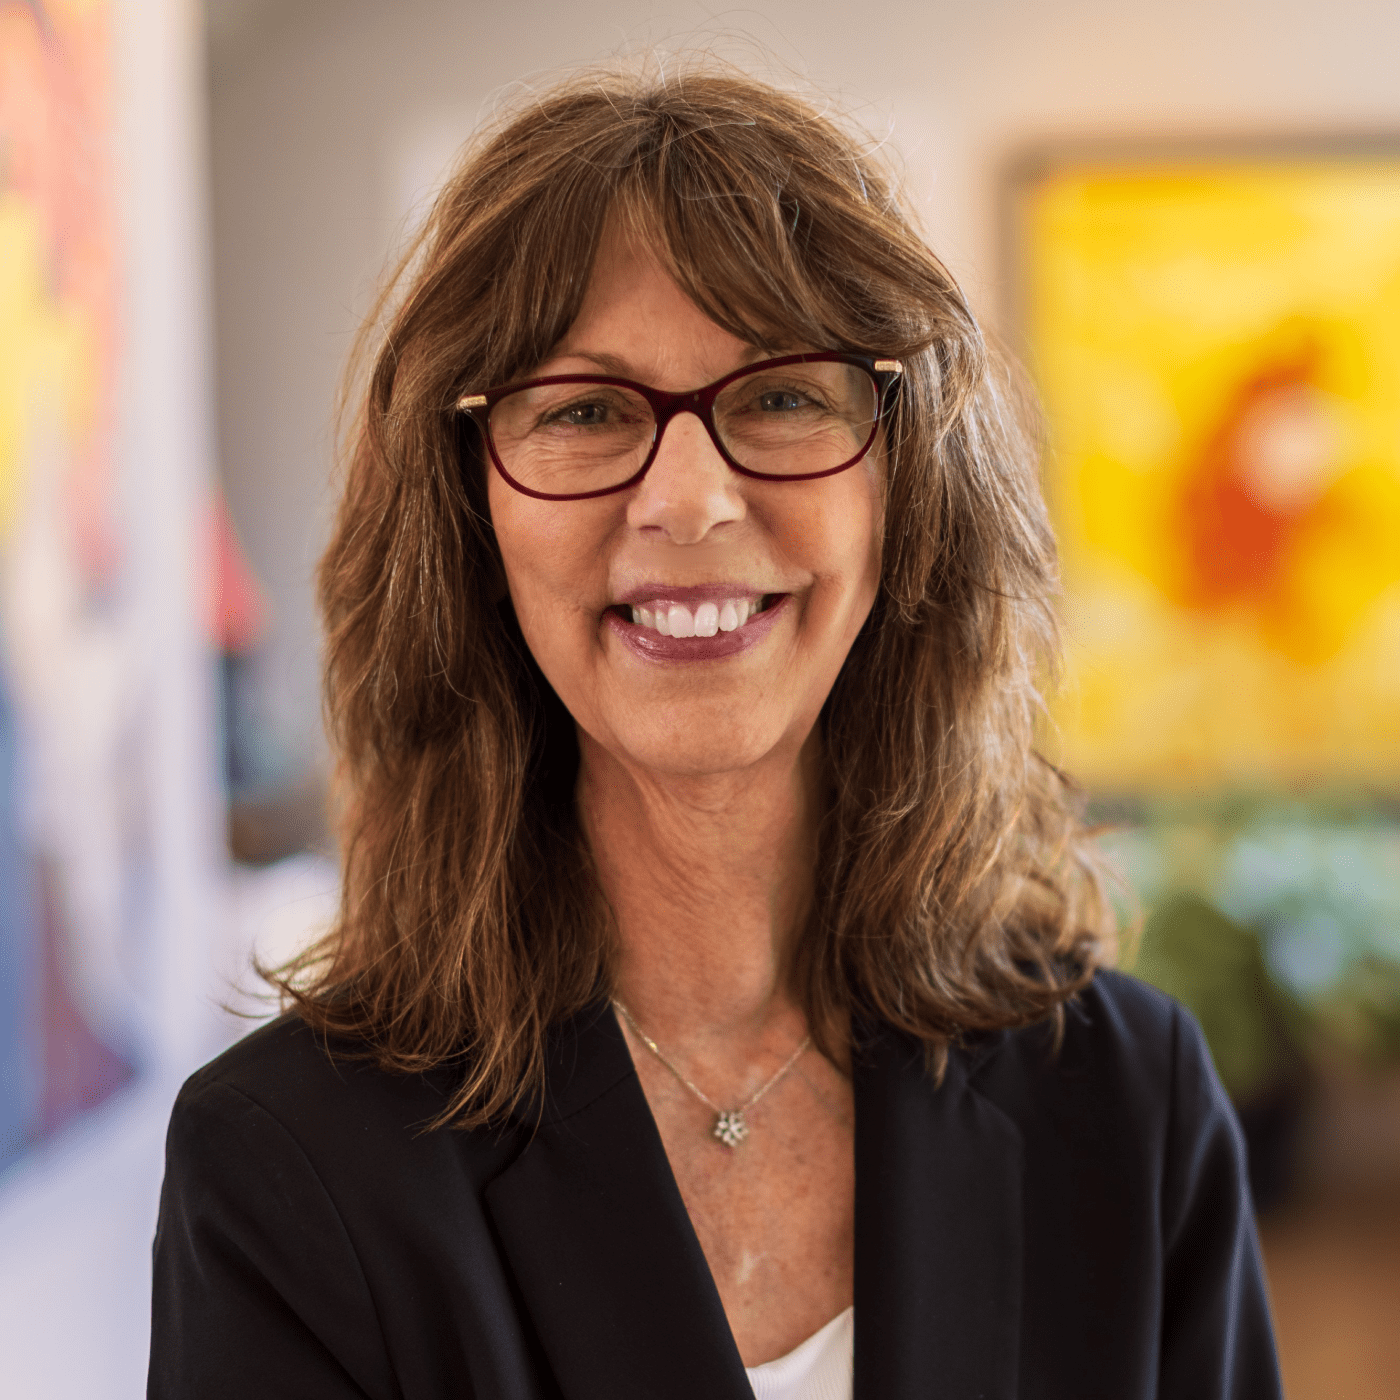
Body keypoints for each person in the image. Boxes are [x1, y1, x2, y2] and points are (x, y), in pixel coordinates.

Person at [148, 67, 1282, 1400]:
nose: (688, 500)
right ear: (472, 521)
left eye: (785, 397)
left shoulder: (1128, 1102)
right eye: (583, 410)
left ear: (903, 495)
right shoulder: (284, 1166)